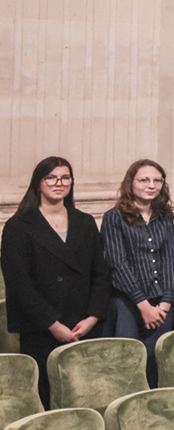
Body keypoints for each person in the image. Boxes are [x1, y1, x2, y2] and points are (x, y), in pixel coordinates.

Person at [2, 157, 110, 401]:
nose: (58, 183)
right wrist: (53, 325)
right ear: (38, 183)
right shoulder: (18, 226)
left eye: (65, 177)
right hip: (42, 328)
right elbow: (19, 284)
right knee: (47, 396)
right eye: (50, 177)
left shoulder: (85, 222)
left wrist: (93, 317)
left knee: (83, 396)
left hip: (83, 324)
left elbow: (101, 273)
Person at [101, 159, 174, 381]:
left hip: (161, 304)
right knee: (130, 366)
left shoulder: (165, 217)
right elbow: (117, 264)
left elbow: (170, 260)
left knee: (158, 363)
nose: (151, 185)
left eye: (157, 180)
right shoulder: (114, 217)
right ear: (131, 183)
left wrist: (166, 302)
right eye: (144, 180)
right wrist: (143, 306)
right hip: (127, 303)